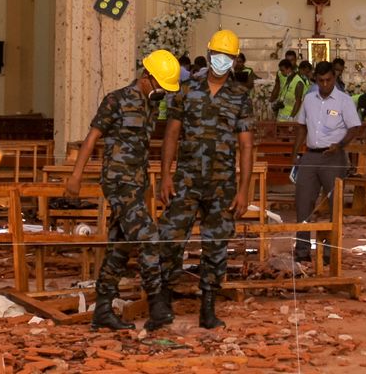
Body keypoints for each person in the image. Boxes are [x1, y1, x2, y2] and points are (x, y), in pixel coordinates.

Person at [64, 49, 181, 330]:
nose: (163, 93)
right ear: (146, 77)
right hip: (118, 182)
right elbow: (92, 138)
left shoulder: (151, 105)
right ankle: (157, 305)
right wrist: (75, 176)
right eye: (161, 86)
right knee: (149, 236)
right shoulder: (116, 100)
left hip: (136, 183)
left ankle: (103, 310)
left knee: (120, 246)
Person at [153, 29, 255, 330]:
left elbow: (247, 145)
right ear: (209, 54)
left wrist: (243, 190)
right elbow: (171, 133)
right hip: (185, 180)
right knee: (170, 238)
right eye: (217, 55)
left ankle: (208, 306)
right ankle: (162, 302)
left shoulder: (240, 97)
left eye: (228, 57)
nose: (221, 61)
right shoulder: (186, 90)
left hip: (222, 184)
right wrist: (165, 176)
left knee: (217, 244)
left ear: (235, 61)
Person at [292, 60, 362, 268]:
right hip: (310, 155)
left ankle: (330, 252)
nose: (324, 84)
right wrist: (296, 152)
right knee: (303, 202)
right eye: (321, 80)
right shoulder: (309, 99)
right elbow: (302, 127)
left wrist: (340, 145)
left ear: (334, 78)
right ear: (315, 79)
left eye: (328, 80)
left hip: (333, 157)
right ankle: (302, 250)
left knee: (334, 205)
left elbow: (354, 128)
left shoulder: (344, 100)